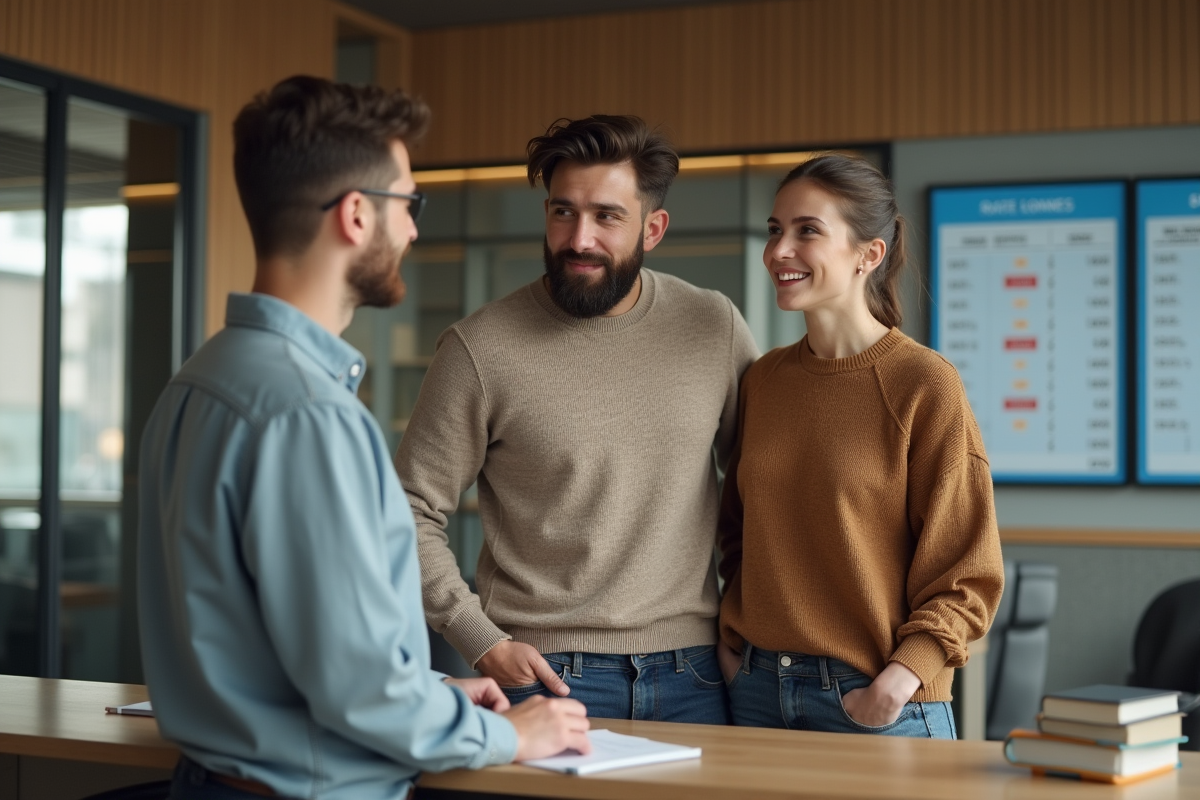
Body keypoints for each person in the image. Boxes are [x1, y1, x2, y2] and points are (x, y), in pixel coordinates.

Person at [137, 76, 589, 800]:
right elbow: (358, 687)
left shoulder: (199, 380)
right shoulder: (307, 414)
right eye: (408, 203)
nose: (413, 228)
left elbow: (282, 641)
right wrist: (509, 735)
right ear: (355, 215)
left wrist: (434, 692)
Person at [395, 115, 759, 725]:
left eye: (607, 216)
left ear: (654, 227)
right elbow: (405, 508)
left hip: (695, 674)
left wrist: (745, 627)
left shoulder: (713, 326)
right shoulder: (478, 348)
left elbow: (761, 489)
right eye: (563, 212)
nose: (579, 238)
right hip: (540, 675)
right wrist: (480, 639)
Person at [716, 153, 1004, 738]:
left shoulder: (924, 384)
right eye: (775, 230)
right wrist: (732, 648)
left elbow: (968, 571)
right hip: (756, 695)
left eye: (807, 231)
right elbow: (737, 534)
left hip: (878, 704)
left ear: (868, 255)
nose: (778, 251)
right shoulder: (763, 381)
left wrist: (899, 681)